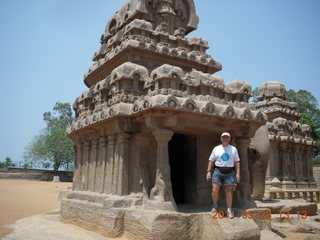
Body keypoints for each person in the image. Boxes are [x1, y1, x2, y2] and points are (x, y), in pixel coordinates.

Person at [206, 132, 240, 219]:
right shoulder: (216, 149)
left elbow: (237, 162)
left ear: (229, 139)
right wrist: (209, 171)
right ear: (221, 139)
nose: (225, 139)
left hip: (229, 171)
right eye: (223, 137)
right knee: (215, 189)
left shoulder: (233, 149)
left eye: (227, 138)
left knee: (228, 191)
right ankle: (215, 205)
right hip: (218, 170)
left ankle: (229, 210)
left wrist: (238, 173)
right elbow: (211, 160)